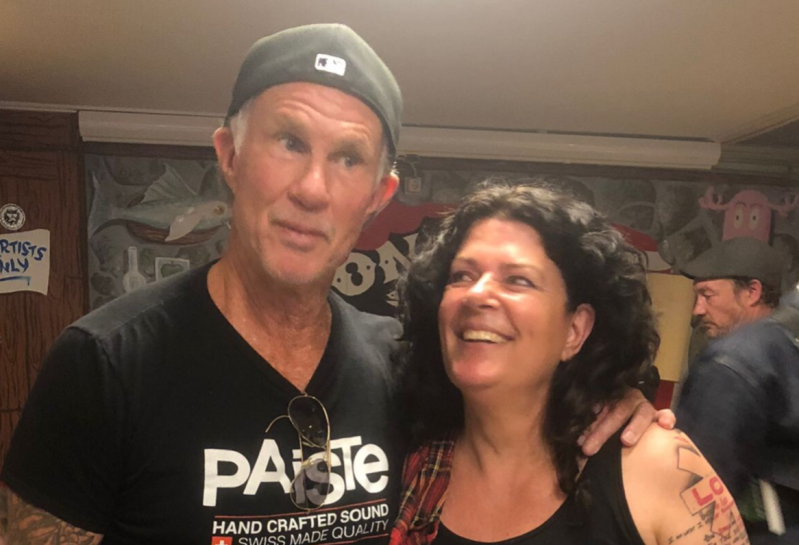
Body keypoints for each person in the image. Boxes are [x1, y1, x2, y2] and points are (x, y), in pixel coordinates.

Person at [1, 25, 664, 545]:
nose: (312, 189)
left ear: (378, 195)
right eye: (288, 142)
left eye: (347, 158)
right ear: (230, 155)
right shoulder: (105, 363)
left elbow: (516, 410)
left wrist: (617, 403)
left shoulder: (404, 362)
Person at [391, 182, 748, 545]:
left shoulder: (657, 466)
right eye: (461, 276)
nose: (477, 293)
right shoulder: (400, 459)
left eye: (518, 280)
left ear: (575, 331)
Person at [676, 239, 798, 543]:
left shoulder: (731, 363)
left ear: (752, 292)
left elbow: (696, 490)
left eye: (707, 295)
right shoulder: (787, 345)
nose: (697, 310)